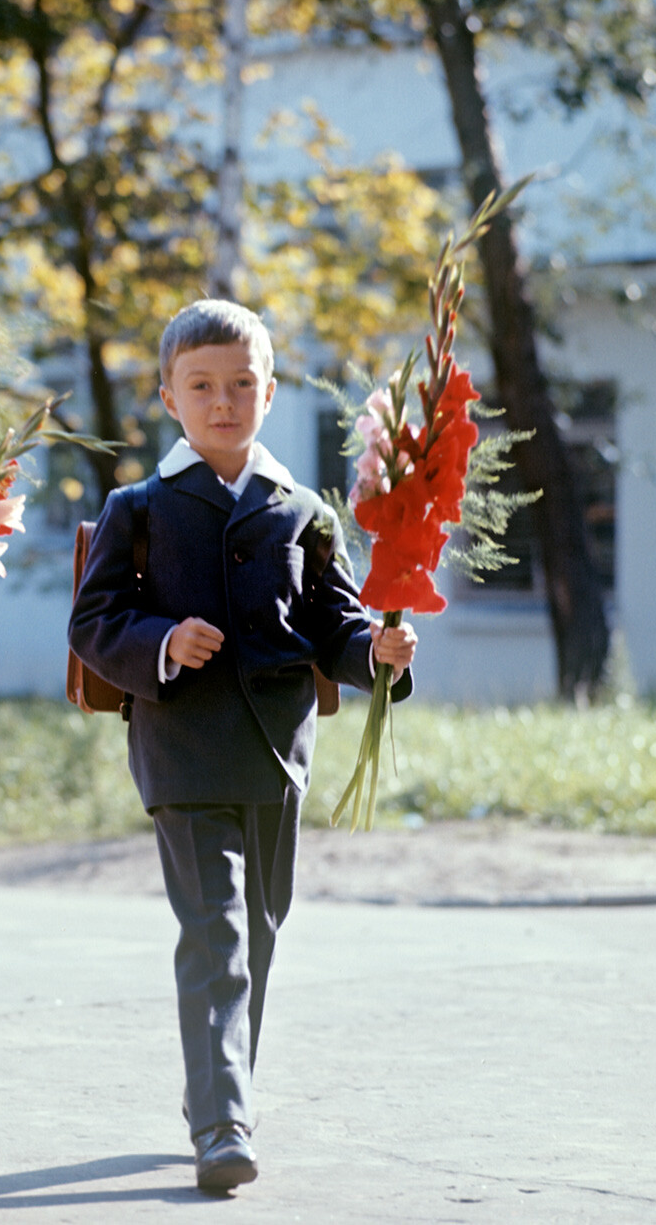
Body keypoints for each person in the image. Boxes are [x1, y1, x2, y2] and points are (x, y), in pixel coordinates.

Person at [68, 300, 417, 1194]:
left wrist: (374, 653)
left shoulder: (301, 508)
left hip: (276, 755)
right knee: (216, 933)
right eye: (201, 387)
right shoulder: (139, 507)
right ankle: (223, 1119)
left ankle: (223, 1093)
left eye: (241, 385)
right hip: (182, 749)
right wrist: (160, 644)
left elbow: (332, 622)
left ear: (268, 392)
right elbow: (93, 621)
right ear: (167, 397)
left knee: (260, 929)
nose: (222, 402)